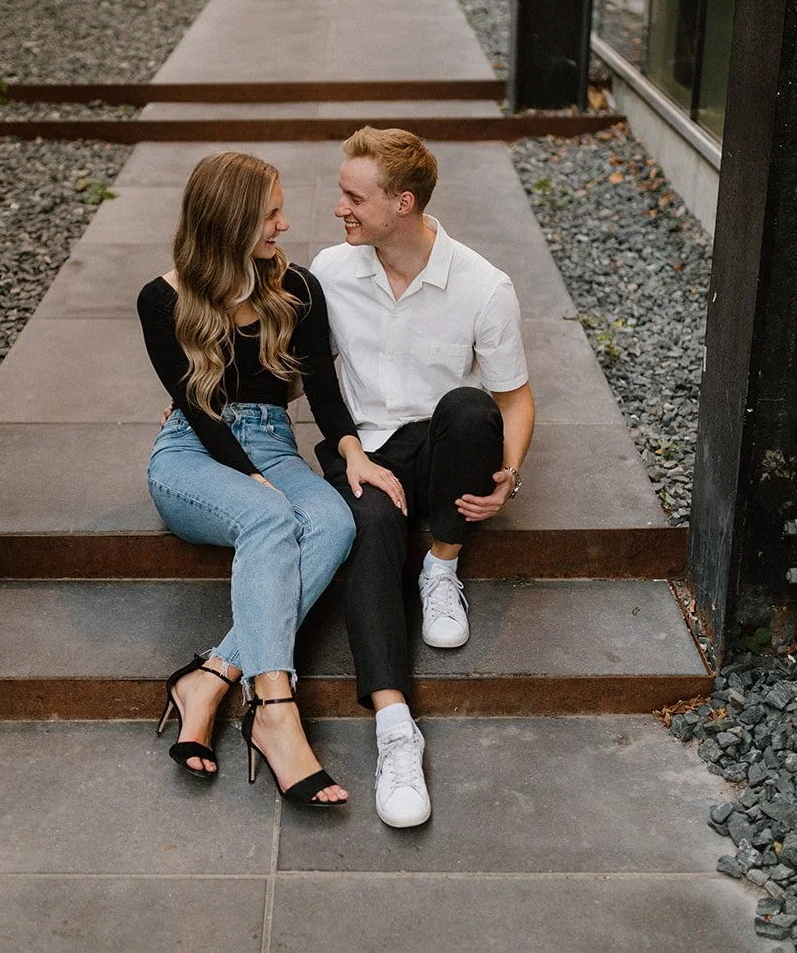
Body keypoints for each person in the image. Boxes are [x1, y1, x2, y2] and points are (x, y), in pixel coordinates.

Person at [138, 150, 405, 808]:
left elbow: (322, 391)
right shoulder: (161, 299)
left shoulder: (298, 289)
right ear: (230, 223)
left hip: (274, 441)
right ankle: (275, 711)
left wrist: (353, 453)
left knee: (336, 519)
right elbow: (197, 410)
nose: (284, 224)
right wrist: (250, 478)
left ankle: (210, 675)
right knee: (270, 516)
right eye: (271, 213)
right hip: (193, 454)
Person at [309, 127, 535, 828]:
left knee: (471, 410)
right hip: (361, 447)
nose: (339, 206)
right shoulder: (330, 269)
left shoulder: (483, 286)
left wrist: (510, 474)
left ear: (403, 203)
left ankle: (442, 565)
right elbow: (301, 370)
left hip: (439, 447)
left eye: (354, 195)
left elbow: (515, 398)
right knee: (371, 521)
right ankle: (395, 727)